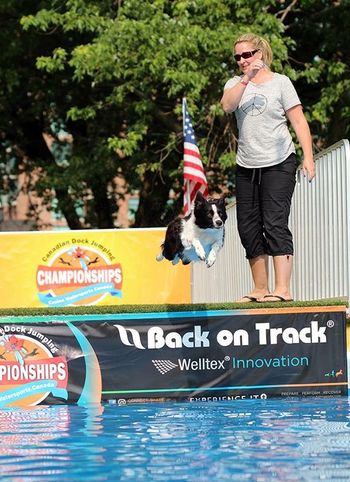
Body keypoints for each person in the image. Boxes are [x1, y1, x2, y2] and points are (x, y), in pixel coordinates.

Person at [220, 33, 315, 303]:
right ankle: (260, 289)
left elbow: (298, 122)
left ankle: (282, 289)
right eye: (237, 56)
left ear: (260, 54)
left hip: (279, 162)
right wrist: (246, 78)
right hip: (246, 165)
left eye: (247, 54)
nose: (242, 60)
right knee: (248, 227)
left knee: (274, 222)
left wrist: (308, 157)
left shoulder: (281, 83)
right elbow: (227, 106)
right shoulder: (235, 83)